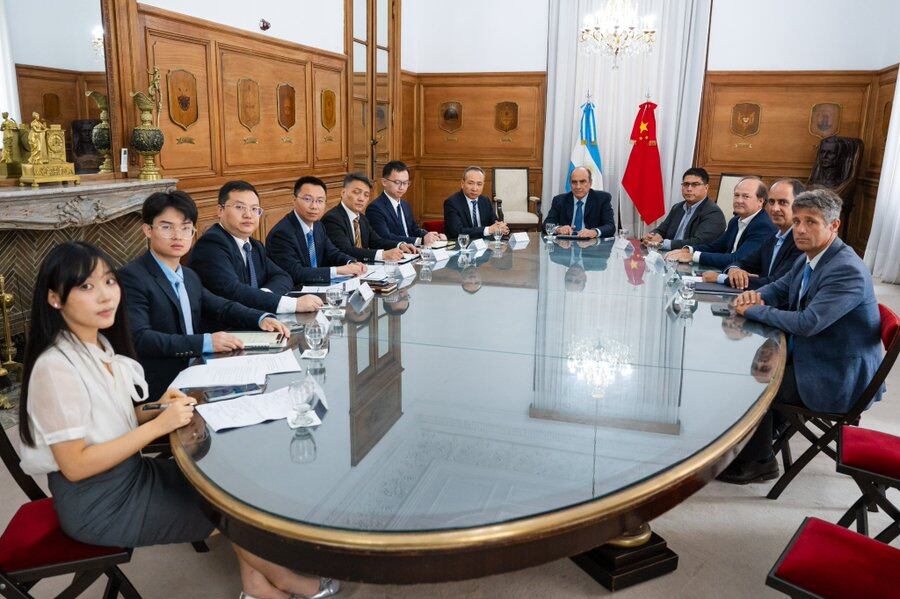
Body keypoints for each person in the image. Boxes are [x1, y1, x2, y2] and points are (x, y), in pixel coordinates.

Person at [17, 241, 339, 599]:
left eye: (109, 282)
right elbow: (75, 465)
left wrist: (157, 407)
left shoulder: (94, 345)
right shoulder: (55, 367)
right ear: (54, 299)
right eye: (86, 287)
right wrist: (158, 425)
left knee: (232, 485)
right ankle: (284, 580)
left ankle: (256, 586)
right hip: (99, 503)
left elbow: (109, 418)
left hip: (129, 474)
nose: (106, 296)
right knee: (232, 510)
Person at [719, 189, 883, 484]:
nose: (801, 229)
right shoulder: (811, 256)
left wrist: (752, 311)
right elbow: (780, 289)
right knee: (751, 361)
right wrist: (754, 296)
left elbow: (807, 323)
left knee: (753, 383)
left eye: (811, 222)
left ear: (834, 226)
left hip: (837, 375)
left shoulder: (846, 269)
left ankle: (760, 462)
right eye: (797, 221)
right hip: (819, 354)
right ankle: (765, 435)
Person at [118, 191, 290, 400]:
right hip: (164, 386)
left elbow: (221, 306)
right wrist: (204, 343)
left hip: (200, 374)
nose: (177, 235)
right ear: (147, 230)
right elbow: (141, 338)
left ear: (193, 232)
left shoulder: (188, 275)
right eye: (166, 227)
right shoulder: (132, 277)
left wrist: (261, 318)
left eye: (185, 228)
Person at [189, 180, 323, 317]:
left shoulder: (254, 245)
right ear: (220, 210)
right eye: (240, 207)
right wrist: (293, 304)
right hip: (225, 330)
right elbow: (233, 292)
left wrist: (262, 297)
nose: (248, 215)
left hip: (255, 320)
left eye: (254, 209)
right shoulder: (211, 244)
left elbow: (283, 276)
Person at [702, 179, 805, 290]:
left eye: (782, 202)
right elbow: (743, 262)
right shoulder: (773, 237)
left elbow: (776, 283)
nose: (775, 209)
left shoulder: (801, 241)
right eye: (771, 202)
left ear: (798, 205)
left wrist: (721, 278)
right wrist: (734, 269)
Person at [267, 175, 367, 286]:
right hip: (295, 292)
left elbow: (332, 252)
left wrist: (351, 262)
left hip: (319, 287)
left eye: (320, 201)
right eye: (307, 199)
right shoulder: (281, 234)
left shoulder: (318, 225)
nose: (314, 206)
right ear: (294, 200)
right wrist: (338, 270)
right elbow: (296, 273)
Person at [665, 176, 776, 269]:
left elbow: (737, 258)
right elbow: (716, 247)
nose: (738, 200)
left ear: (760, 201)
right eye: (736, 195)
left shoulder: (763, 225)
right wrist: (688, 249)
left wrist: (693, 256)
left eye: (745, 196)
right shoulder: (735, 221)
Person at [322, 173, 418, 262]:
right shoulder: (332, 219)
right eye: (356, 192)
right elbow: (346, 250)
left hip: (362, 270)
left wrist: (400, 245)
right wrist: (382, 255)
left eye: (366, 195)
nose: (361, 198)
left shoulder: (362, 219)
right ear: (343, 192)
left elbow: (376, 241)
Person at [642, 167, 726, 250]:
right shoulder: (677, 207)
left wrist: (662, 243)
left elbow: (699, 242)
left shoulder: (713, 213)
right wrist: (652, 236)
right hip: (668, 255)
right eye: (686, 184)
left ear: (706, 188)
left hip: (690, 259)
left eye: (695, 185)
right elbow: (662, 229)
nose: (689, 189)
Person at [367, 160, 445, 246]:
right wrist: (420, 241)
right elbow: (385, 237)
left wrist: (432, 236)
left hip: (412, 252)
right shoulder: (375, 208)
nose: (402, 187)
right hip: (392, 255)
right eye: (397, 182)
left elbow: (415, 230)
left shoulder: (405, 205)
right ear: (384, 182)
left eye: (405, 183)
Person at [545, 166, 615, 239]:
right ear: (570, 184)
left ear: (590, 183)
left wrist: (594, 232)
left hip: (591, 246)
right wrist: (558, 229)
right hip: (565, 245)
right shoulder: (559, 200)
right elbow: (547, 224)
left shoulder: (602, 199)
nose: (578, 187)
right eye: (574, 182)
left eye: (582, 182)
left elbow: (610, 226)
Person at [443, 166, 508, 240]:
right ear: (462, 183)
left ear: (483, 185)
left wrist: (501, 227)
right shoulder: (452, 203)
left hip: (485, 246)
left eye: (479, 184)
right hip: (462, 246)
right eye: (470, 183)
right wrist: (488, 230)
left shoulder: (485, 200)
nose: (475, 188)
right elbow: (457, 232)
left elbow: (494, 223)